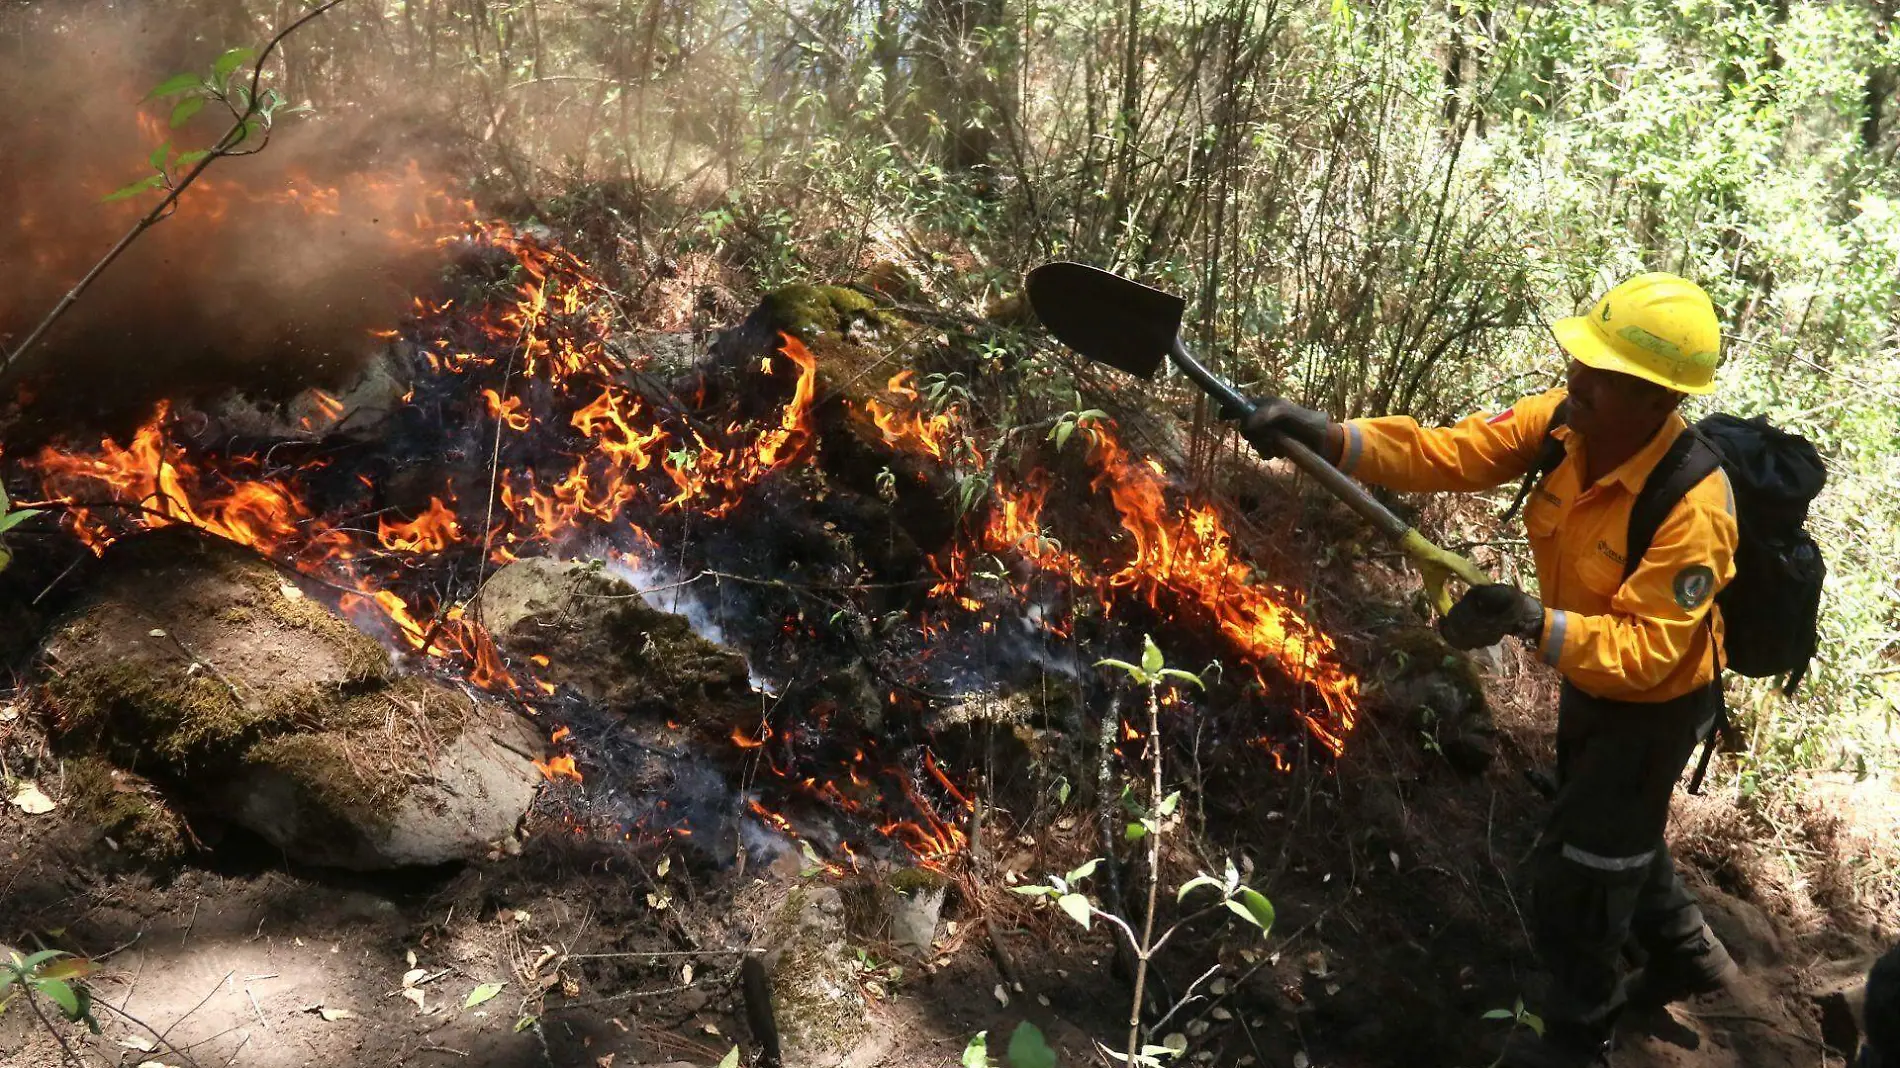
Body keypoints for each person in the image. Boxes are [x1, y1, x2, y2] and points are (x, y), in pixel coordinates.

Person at [1238, 273, 1739, 1067]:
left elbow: (1644, 656)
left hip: (1654, 705)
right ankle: (1689, 956)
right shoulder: (1565, 425)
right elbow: (1453, 450)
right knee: (1610, 828)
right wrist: (1332, 436)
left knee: (1582, 874)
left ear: (1655, 401)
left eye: (1601, 379)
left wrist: (1533, 622)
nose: (1577, 385)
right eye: (1580, 364)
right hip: (1589, 678)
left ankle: (1583, 1029)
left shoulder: (1693, 507)